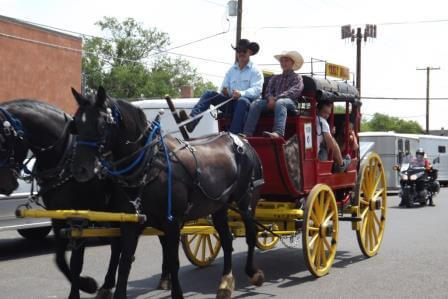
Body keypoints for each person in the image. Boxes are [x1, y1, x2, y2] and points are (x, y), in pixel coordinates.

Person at [179, 39, 264, 134]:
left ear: (250, 52)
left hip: (247, 105)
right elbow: (224, 87)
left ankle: (233, 135)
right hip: (230, 103)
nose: (241, 53)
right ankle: (192, 121)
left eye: (243, 51)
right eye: (239, 51)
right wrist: (225, 91)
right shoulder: (231, 70)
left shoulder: (255, 71)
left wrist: (241, 93)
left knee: (242, 100)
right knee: (209, 94)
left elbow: (257, 90)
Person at [242, 50, 304, 138]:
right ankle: (247, 133)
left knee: (281, 102)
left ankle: (278, 133)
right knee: (256, 104)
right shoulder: (275, 78)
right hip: (272, 102)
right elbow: (268, 91)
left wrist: (275, 99)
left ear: (292, 63)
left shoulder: (297, 78)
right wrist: (270, 98)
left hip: (291, 103)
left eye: (286, 61)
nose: (283, 63)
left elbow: (294, 92)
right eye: (282, 61)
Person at [316, 101, 351, 172]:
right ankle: (341, 165)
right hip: (318, 156)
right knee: (332, 141)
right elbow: (331, 145)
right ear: (317, 110)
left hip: (311, 153)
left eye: (328, 114)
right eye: (324, 112)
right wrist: (331, 134)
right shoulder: (323, 122)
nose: (326, 116)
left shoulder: (314, 118)